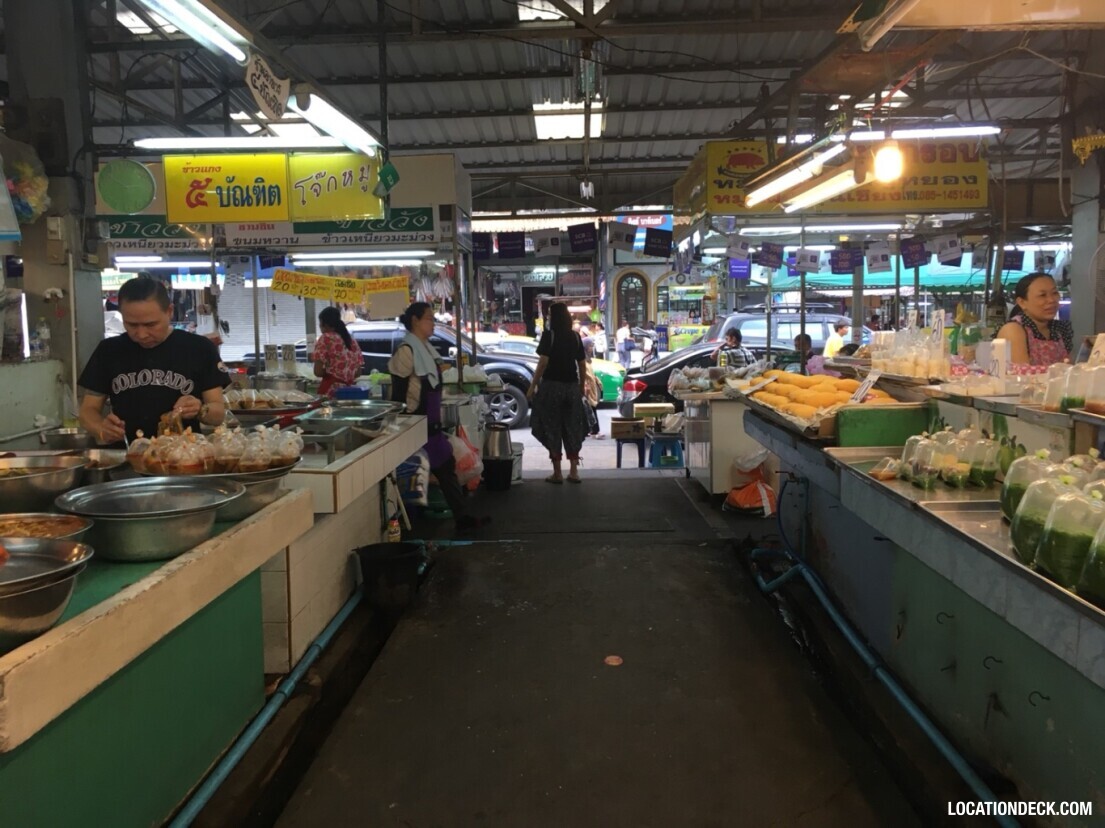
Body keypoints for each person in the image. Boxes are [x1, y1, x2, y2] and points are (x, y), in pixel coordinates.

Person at [78, 277, 227, 444]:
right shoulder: (109, 350)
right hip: (127, 455)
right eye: (132, 325)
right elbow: (88, 411)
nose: (141, 334)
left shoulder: (199, 348)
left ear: (169, 311)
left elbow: (218, 414)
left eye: (151, 325)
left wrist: (200, 409)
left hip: (183, 458)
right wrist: (100, 428)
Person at [389, 302, 486, 533]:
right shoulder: (407, 350)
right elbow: (399, 392)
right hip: (415, 423)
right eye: (429, 319)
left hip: (430, 425)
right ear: (415, 321)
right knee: (413, 474)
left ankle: (461, 518)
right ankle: (408, 524)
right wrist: (399, 423)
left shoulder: (426, 349)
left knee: (445, 466)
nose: (433, 323)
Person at [528, 302, 588, 484]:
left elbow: (543, 362)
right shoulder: (575, 337)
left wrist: (533, 385)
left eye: (549, 316)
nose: (547, 318)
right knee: (572, 427)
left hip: (552, 387)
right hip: (571, 387)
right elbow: (582, 364)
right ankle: (574, 471)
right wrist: (581, 386)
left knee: (552, 427)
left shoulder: (549, 336)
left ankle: (557, 473)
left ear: (553, 318)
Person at [997, 272, 1073, 366]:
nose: (1051, 300)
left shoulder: (1060, 329)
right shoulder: (1013, 330)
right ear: (1022, 302)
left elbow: (1069, 369)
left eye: (1054, 293)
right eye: (1042, 295)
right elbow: (1021, 376)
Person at [313, 306, 363, 396]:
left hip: (331, 392)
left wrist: (330, 372)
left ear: (325, 324)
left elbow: (318, 371)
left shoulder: (326, 338)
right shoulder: (351, 340)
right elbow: (358, 372)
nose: (319, 326)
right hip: (349, 393)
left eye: (320, 323)